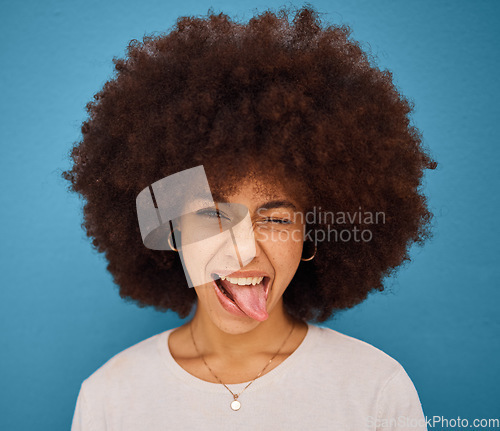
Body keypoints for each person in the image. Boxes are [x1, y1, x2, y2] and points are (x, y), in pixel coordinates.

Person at [63, 5, 436, 430]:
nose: (243, 248)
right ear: (173, 229)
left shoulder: (376, 389)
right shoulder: (110, 396)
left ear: (310, 234)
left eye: (276, 219)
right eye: (212, 214)